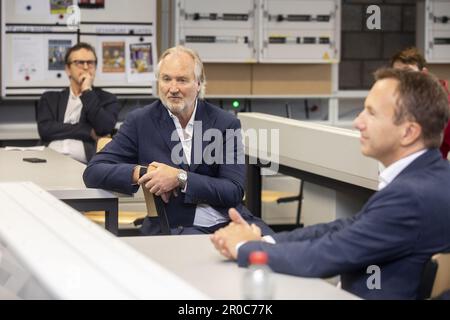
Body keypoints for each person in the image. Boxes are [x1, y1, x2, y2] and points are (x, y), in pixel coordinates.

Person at [210, 68, 450, 299]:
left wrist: (243, 247)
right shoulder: (432, 177)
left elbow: (325, 255)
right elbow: (344, 229)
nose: (358, 122)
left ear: (408, 132)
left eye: (371, 113)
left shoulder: (410, 197)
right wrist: (264, 240)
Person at [83, 45, 273, 236]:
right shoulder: (141, 121)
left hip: (231, 221)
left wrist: (180, 178)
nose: (173, 89)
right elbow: (93, 171)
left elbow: (233, 190)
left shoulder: (225, 123)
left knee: (278, 248)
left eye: (182, 80)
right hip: (177, 226)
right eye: (166, 79)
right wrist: (144, 172)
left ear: (198, 83)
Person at [37, 42, 120, 163]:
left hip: (84, 164)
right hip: (47, 160)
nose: (86, 67)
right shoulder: (50, 98)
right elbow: (45, 130)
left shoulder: (108, 99)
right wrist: (87, 130)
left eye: (90, 63)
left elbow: (103, 129)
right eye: (80, 63)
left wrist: (87, 91)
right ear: (68, 69)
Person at [390, 47, 450, 159]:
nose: (402, 79)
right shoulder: (393, 100)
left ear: (424, 73)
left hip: (429, 171)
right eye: (397, 74)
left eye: (408, 73)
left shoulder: (443, 105)